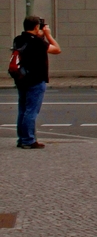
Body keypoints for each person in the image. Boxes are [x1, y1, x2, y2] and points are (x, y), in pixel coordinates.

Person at [11, 16, 61, 150]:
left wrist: (40, 35)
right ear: (36, 27)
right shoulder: (37, 42)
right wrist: (48, 35)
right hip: (36, 79)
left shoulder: (18, 39)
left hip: (22, 79)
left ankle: (22, 139)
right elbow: (57, 49)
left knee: (22, 110)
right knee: (31, 111)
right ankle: (28, 140)